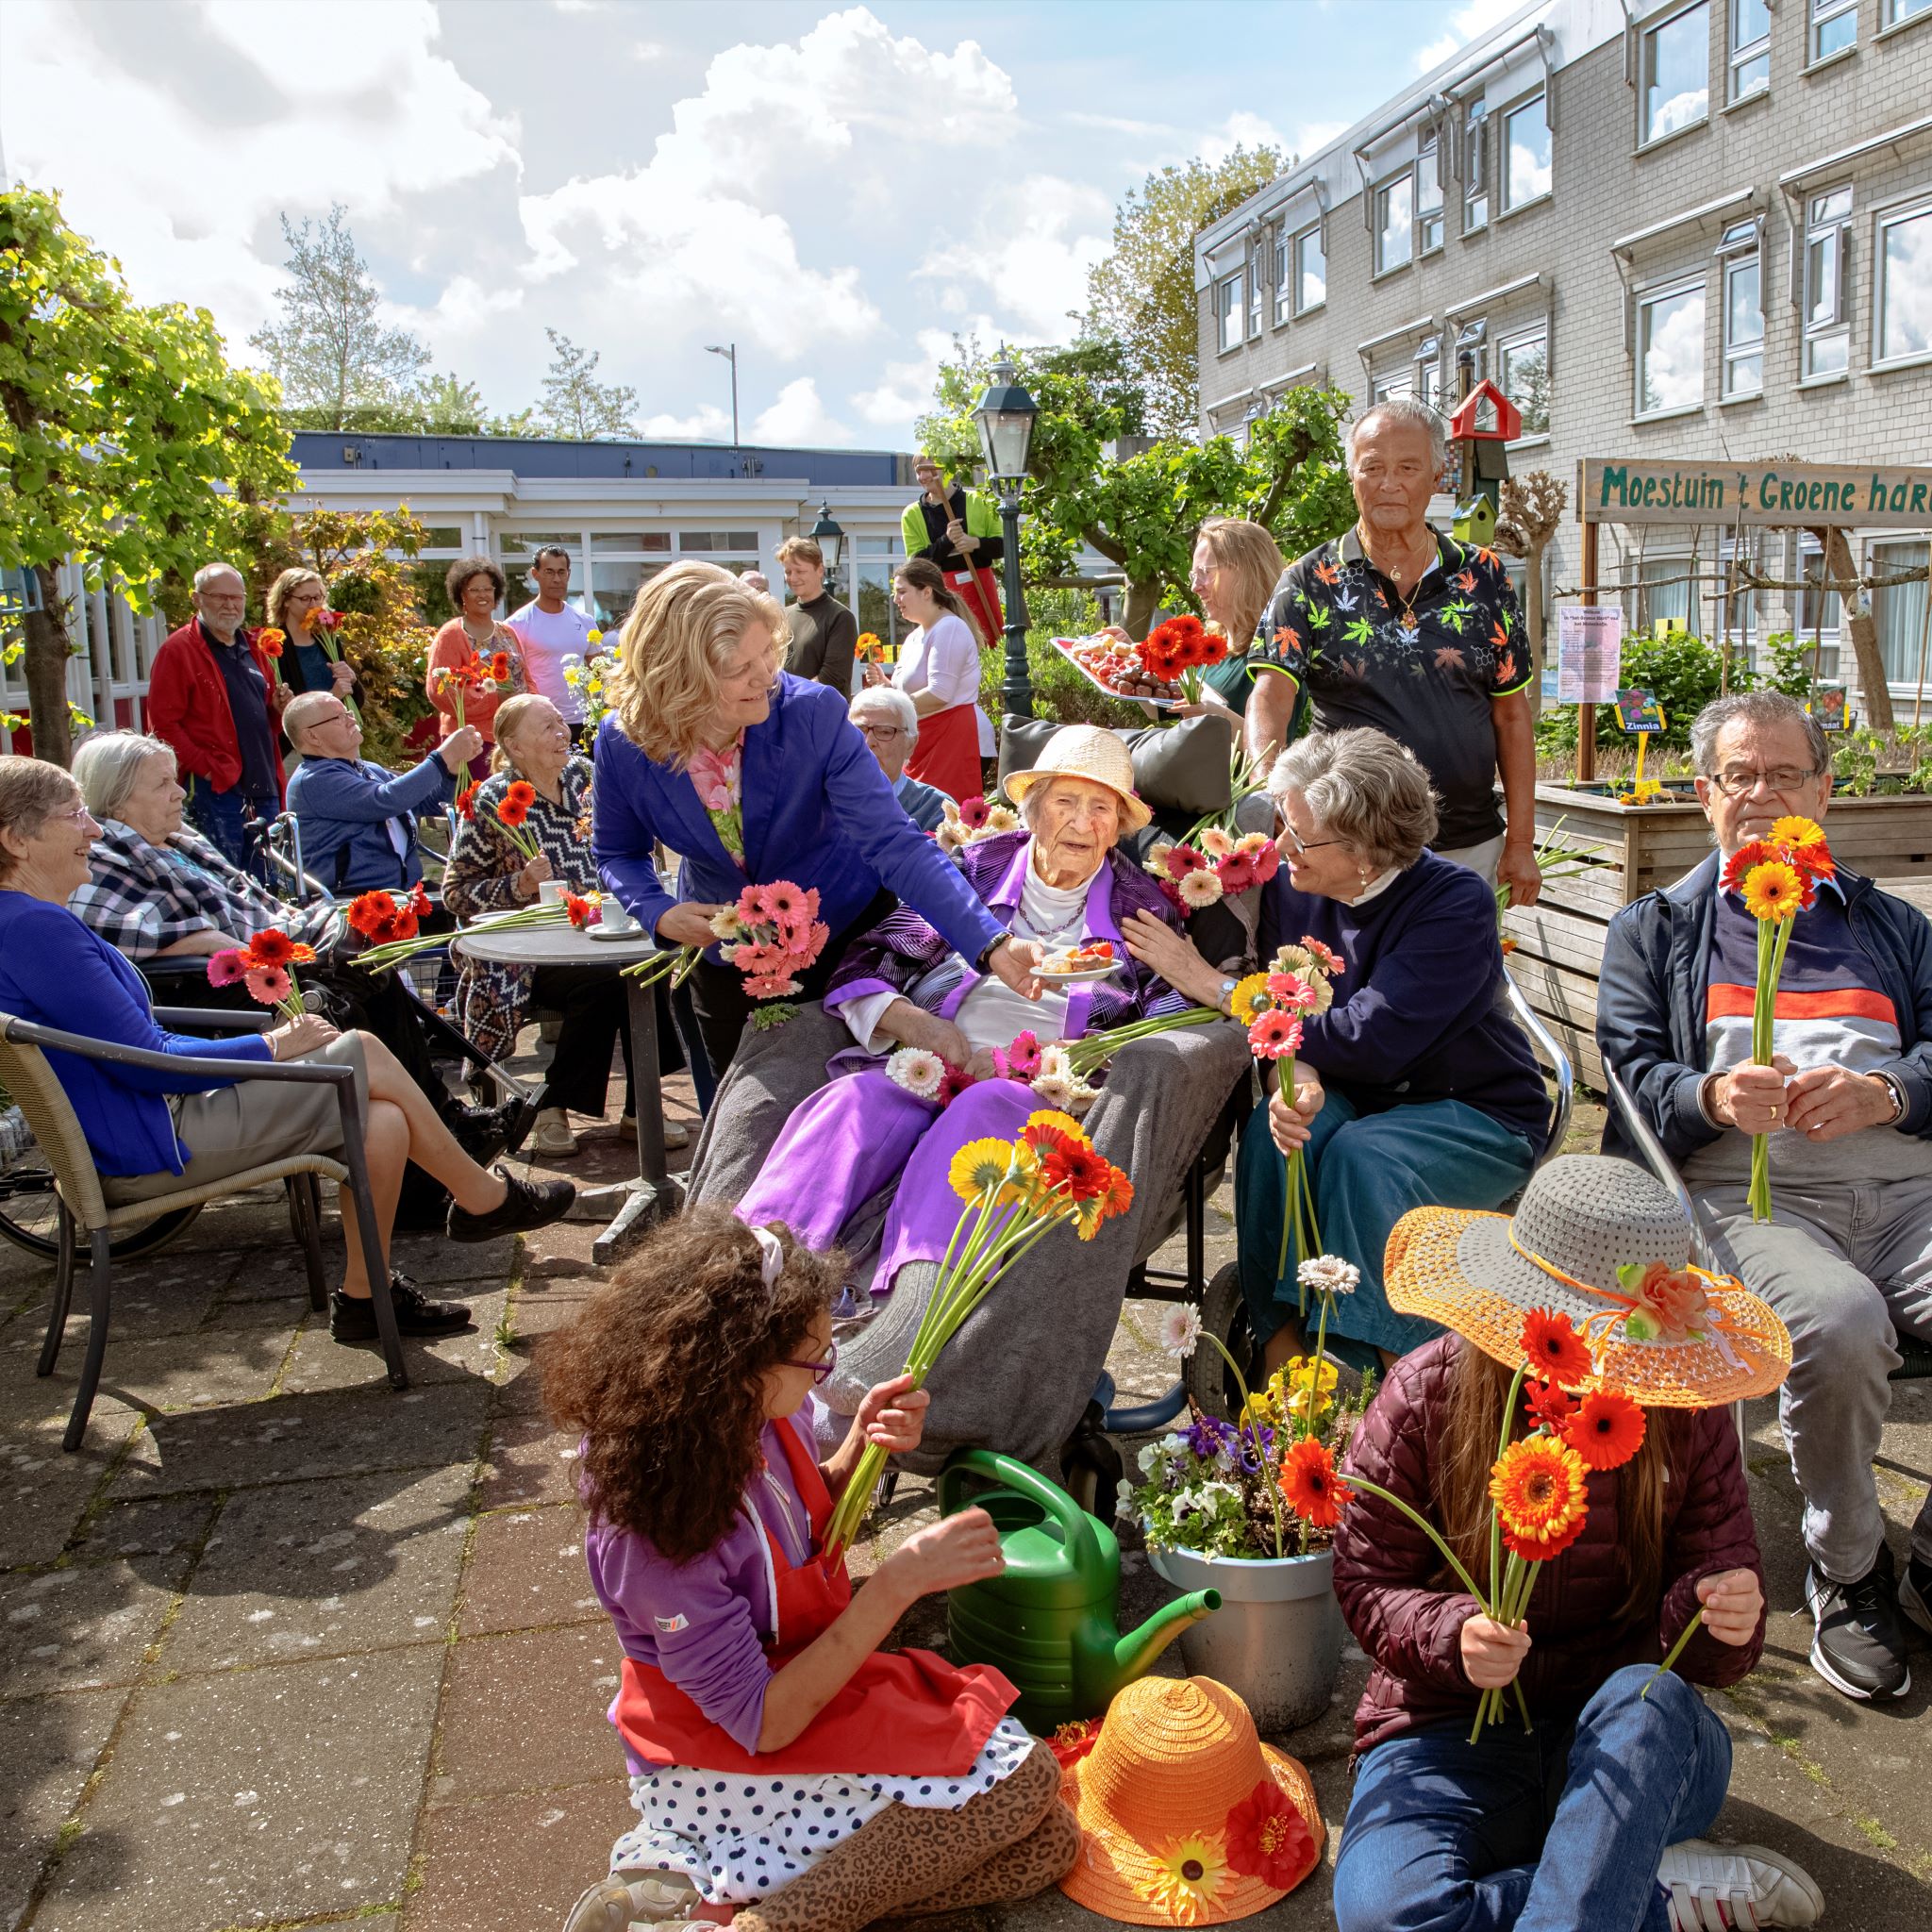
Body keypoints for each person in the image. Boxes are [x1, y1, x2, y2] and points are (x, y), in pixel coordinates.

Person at [544, 1208, 1075, 1932]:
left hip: (801, 1687)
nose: (827, 1371)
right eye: (815, 1357)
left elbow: (785, 1525)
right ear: (739, 1366)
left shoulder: (742, 1419)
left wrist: (862, 1446)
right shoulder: (654, 1533)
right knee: (1025, 1788)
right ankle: (758, 1915)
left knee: (1052, 1844)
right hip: (719, 1752)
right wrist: (896, 1585)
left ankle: (717, 1896)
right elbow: (762, 1723)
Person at [1328, 1156, 1822, 1932]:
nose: (1604, 1367)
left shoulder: (1687, 1415)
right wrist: (1454, 1633)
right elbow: (1364, 1582)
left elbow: (1714, 1646)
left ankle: (1602, 1875)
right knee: (1383, 1914)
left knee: (1646, 1697)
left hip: (1631, 1744)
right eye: (1572, 1332)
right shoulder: (1429, 1392)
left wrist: (1723, 1620)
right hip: (1451, 1730)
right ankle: (1652, 1892)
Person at [1597, 689, 1932, 1702]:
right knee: (1836, 1321)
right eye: (1738, 775)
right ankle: (1847, 1566)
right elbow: (1626, 1079)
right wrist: (1705, 1093)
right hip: (1754, 1197)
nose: (1759, 794)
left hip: (1907, 1185)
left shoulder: (1890, 925)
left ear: (1822, 792)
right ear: (1702, 794)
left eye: (1782, 774)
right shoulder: (1654, 929)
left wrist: (1886, 1089)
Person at [0, 757, 574, 1344]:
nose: (93, 829)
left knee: (380, 1121)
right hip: (152, 1142)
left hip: (139, 1127)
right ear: (16, 838)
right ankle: (482, 1195)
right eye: (74, 816)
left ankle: (364, 1296)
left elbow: (135, 1047)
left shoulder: (25, 921)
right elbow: (146, 1062)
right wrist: (275, 1044)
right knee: (363, 1051)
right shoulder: (37, 931)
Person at [735, 725, 1219, 1307]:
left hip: (1046, 1092)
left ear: (1118, 827)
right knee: (852, 1103)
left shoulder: (1142, 907)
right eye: (1066, 802)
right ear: (1032, 810)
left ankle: (913, 1303)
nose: (1084, 824)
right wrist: (918, 1025)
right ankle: (756, 1272)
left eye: (1102, 809)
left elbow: (1166, 1022)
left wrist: (1065, 1066)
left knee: (983, 1106)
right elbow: (874, 957)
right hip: (929, 1059)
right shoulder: (970, 872)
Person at [591, 560, 1041, 1086]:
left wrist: (991, 943)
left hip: (847, 947)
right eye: (741, 668)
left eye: (769, 653)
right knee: (744, 1119)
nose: (767, 677)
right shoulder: (623, 742)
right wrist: (660, 913)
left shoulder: (813, 712)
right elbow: (617, 853)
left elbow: (896, 845)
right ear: (680, 677)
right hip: (727, 963)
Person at [1233, 727, 1547, 1374]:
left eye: (1301, 834)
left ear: (1367, 853)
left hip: (1473, 1111)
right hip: (1356, 1095)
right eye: (1282, 824)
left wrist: (1216, 989)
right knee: (1278, 1137)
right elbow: (1288, 1020)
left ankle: (1394, 1374)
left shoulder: (1453, 903)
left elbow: (1370, 1039)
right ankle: (1280, 1350)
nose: (1281, 846)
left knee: (1360, 1155)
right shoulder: (1295, 886)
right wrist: (1291, 1082)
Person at [67, 729, 526, 1167]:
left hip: (262, 949)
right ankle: (438, 1143)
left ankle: (442, 1132)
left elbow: (248, 902)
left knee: (371, 966)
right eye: (162, 783)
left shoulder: (175, 840)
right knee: (354, 988)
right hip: (208, 986)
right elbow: (113, 933)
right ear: (118, 798)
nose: (180, 793)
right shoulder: (105, 853)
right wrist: (209, 940)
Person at [1258, 396, 1541, 903]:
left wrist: (1520, 841)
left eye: (1408, 468)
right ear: (1352, 478)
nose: (1389, 483)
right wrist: (1270, 799)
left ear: (1437, 477)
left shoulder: (1485, 576)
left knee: (1459, 978)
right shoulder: (1306, 581)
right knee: (1339, 977)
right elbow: (1271, 698)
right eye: (1373, 467)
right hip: (1344, 848)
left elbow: (1513, 717)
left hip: (1468, 846)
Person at [444, 693, 672, 1160]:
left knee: (651, 966)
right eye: (546, 727)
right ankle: (554, 1103)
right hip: (527, 956)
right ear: (514, 746)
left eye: (560, 723)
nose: (561, 732)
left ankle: (639, 1110)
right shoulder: (493, 801)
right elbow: (456, 893)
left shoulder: (587, 779)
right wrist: (520, 883)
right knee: (608, 980)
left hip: (604, 932)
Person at [1096, 518, 1290, 769]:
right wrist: (1133, 660)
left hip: (1242, 801)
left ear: (1245, 574)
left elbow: (1282, 753)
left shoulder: (1280, 649)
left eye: (1205, 573)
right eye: (1193, 574)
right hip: (1196, 795)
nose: (1195, 587)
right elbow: (1159, 710)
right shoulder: (1206, 649)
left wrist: (1219, 718)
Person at [147, 561, 285, 874]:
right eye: (219, 597)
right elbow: (163, 726)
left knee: (267, 887)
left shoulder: (255, 647)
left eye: (236, 597)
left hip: (263, 786)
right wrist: (209, 770)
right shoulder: (179, 650)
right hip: (216, 791)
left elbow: (266, 723)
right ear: (197, 599)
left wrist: (277, 709)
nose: (230, 605)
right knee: (224, 883)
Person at [283, 691, 470, 893]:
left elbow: (427, 804)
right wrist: (441, 758)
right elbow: (386, 799)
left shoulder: (369, 770)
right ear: (312, 736)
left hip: (405, 891)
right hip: (355, 901)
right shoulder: (313, 779)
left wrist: (452, 770)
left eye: (347, 712)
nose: (350, 719)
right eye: (338, 717)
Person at [860, 558, 985, 804]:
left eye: (902, 592)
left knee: (944, 818)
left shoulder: (949, 627)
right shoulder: (915, 635)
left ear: (926, 591)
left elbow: (940, 693)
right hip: (918, 739)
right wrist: (886, 686)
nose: (896, 600)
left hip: (948, 738)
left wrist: (890, 709)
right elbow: (906, 694)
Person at [426, 556, 529, 778]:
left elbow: (525, 678)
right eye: (474, 590)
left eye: (487, 589)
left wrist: (534, 707)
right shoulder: (451, 634)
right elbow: (439, 691)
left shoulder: (506, 631)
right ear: (461, 595)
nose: (482, 595)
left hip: (515, 736)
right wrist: (493, 699)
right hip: (473, 742)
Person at [901, 456, 1005, 648]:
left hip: (980, 582)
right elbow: (916, 563)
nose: (923, 476)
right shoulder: (912, 514)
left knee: (990, 640)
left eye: (929, 469)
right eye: (918, 471)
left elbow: (1003, 544)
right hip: (942, 591)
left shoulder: (978, 501)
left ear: (946, 469)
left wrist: (975, 543)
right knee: (950, 644)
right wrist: (946, 541)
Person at [505, 544, 600, 744]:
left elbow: (600, 670)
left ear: (568, 574)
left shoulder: (585, 620)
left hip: (583, 724)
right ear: (535, 574)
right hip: (539, 724)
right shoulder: (517, 624)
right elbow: (512, 678)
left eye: (561, 572)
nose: (556, 579)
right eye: (549, 572)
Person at [847, 686, 947, 834]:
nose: (868, 742)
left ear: (911, 744)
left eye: (885, 732)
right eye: (859, 731)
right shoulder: (826, 803)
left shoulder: (935, 808)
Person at [262, 568, 359, 706]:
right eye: (305, 599)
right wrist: (332, 696)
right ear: (286, 601)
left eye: (317, 598)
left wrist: (352, 680)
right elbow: (288, 711)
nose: (313, 605)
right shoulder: (274, 646)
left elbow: (356, 702)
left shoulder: (328, 640)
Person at [775, 536, 858, 697]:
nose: (792, 578)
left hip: (821, 714)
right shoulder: (782, 616)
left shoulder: (840, 617)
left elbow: (832, 678)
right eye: (788, 572)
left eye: (800, 571)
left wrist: (789, 699)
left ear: (820, 570)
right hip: (786, 712)